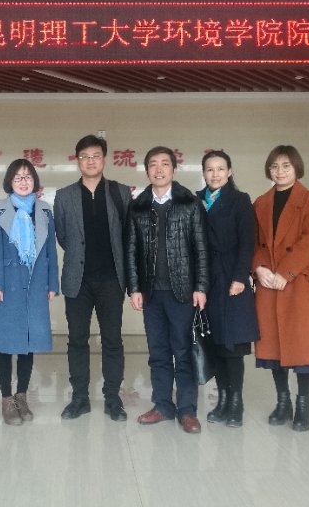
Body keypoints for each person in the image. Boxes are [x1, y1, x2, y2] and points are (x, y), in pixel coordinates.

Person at [125, 146, 209, 434]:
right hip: (151, 293)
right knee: (158, 352)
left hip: (182, 291)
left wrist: (201, 286)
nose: (159, 169)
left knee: (183, 351)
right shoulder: (138, 206)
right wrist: (134, 288)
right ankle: (162, 405)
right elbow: (131, 251)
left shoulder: (190, 203)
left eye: (164, 164)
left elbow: (201, 249)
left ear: (174, 169)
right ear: (147, 170)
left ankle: (187, 410)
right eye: (153, 164)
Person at [54, 135, 131, 422]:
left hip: (112, 280)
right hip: (78, 280)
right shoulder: (64, 196)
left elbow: (128, 235)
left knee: (112, 340)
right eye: (84, 156)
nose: (90, 161)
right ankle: (80, 398)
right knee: (77, 340)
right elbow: (63, 237)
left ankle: (113, 398)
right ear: (77, 161)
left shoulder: (120, 192)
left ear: (104, 159)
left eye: (95, 155)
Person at [252, 145, 309, 432]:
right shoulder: (261, 203)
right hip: (269, 282)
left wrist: (287, 272)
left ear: (296, 168)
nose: (279, 171)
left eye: (285, 166)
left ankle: (303, 404)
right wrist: (259, 268)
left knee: (303, 345)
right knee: (273, 345)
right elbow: (254, 242)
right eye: (274, 166)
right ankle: (282, 401)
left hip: (299, 281)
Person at [0, 158, 59, 425]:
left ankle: (22, 396)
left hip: (35, 284)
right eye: (18, 177)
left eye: (28, 177)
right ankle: (7, 399)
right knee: (7, 346)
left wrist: (52, 284)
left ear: (35, 181)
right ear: (10, 182)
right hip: (7, 287)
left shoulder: (45, 211)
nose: (24, 181)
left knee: (29, 345)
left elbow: (50, 251)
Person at [196, 150, 260, 428]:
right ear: (204, 173)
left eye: (220, 169)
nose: (215, 174)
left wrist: (239, 277)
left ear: (230, 171)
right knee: (215, 344)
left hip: (231, 280)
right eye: (210, 169)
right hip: (206, 281)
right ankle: (222, 400)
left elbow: (247, 242)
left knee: (232, 345)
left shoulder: (240, 200)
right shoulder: (196, 200)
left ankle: (236, 403)